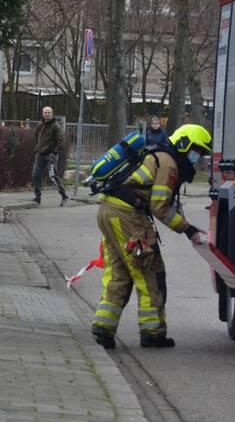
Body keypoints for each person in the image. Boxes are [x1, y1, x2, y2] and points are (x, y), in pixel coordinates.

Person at [90, 124, 212, 350]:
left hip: (109, 212)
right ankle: (152, 332)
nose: (198, 157)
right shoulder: (169, 164)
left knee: (119, 273)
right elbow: (160, 207)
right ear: (184, 144)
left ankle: (103, 328)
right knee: (150, 271)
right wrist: (189, 230)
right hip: (128, 217)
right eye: (197, 151)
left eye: (202, 154)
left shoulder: (158, 155)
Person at [32, 106, 69, 206]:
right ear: (42, 114)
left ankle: (64, 195)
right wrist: (37, 148)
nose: (46, 114)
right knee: (36, 175)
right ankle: (37, 197)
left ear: (52, 114)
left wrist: (54, 152)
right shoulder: (40, 126)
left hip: (50, 155)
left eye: (48, 112)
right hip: (39, 155)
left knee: (53, 176)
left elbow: (61, 141)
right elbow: (36, 137)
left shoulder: (56, 126)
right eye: (45, 112)